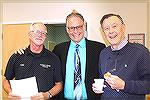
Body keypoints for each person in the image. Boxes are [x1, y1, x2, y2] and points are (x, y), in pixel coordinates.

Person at [92, 13, 150, 100]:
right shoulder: (103, 53)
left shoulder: (140, 52)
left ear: (123, 27)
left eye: (114, 26)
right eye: (106, 28)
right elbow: (102, 77)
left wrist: (124, 85)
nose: (111, 31)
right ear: (103, 32)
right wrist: (98, 87)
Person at [52, 11, 106, 99]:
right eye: (71, 28)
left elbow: (105, 73)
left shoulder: (99, 48)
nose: (75, 31)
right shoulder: (58, 49)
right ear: (67, 29)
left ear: (84, 26)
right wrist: (25, 51)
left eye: (79, 27)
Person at [2, 22, 63, 100]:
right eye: (37, 32)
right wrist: (10, 92)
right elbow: (6, 80)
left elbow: (59, 84)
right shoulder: (17, 56)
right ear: (29, 35)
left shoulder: (53, 58)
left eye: (43, 33)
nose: (40, 35)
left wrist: (48, 95)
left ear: (45, 37)